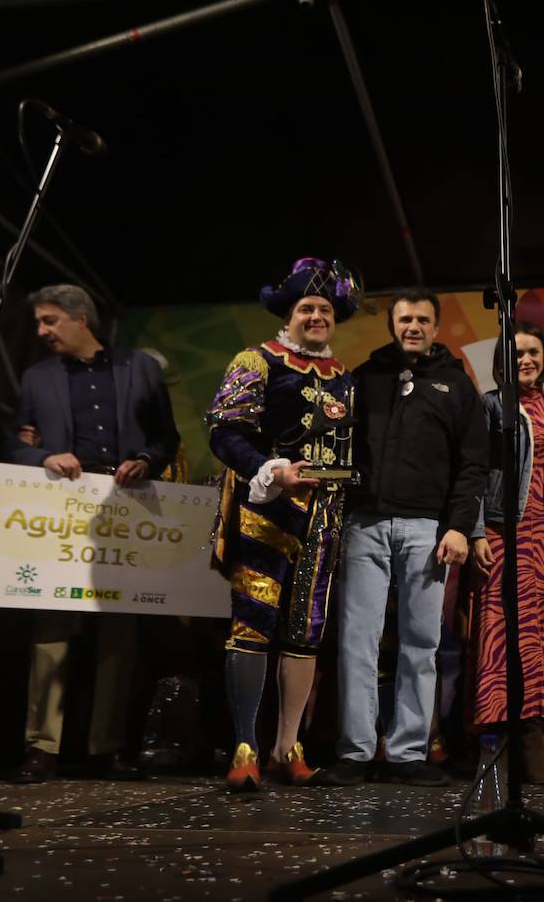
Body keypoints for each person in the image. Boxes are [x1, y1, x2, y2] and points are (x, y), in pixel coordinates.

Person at [6, 285, 180, 784]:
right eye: (40, 321)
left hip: (124, 506)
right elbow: (14, 439)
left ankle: (107, 748)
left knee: (117, 633)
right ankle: (41, 746)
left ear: (81, 319)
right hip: (62, 505)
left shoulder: (139, 368)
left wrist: (147, 460)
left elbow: (165, 436)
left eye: (49, 321)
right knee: (52, 627)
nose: (41, 331)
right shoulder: (37, 377)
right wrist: (42, 456)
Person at [315, 288, 486, 787]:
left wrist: (457, 526)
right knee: (357, 641)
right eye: (405, 319)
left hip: (427, 529)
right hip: (364, 524)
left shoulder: (457, 386)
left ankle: (410, 752)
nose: (414, 326)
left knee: (421, 642)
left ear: (437, 326)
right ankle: (356, 750)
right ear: (393, 324)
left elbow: (472, 466)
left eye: (423, 320)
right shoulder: (365, 378)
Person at [206, 257, 360, 789]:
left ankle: (287, 745)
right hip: (264, 512)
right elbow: (225, 433)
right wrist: (271, 471)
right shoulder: (256, 360)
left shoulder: (343, 377)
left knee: (306, 633)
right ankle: (244, 747)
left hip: (325, 519)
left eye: (324, 308)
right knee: (253, 623)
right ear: (288, 314)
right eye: (306, 308)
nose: (316, 316)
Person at [468, 321, 544, 783]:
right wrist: (475, 532)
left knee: (540, 643)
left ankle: (535, 752)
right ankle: (497, 752)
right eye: (517, 353)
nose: (526, 360)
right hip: (502, 531)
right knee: (501, 637)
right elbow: (474, 472)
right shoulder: (492, 406)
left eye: (533, 352)